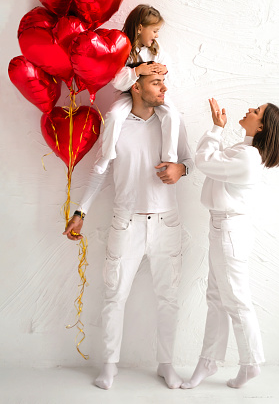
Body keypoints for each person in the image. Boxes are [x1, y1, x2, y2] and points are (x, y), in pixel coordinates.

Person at [63, 71, 193, 391]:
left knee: (169, 299)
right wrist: (80, 212)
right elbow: (99, 171)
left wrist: (181, 168)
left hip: (167, 223)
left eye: (164, 81)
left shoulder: (171, 121)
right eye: (155, 82)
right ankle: (109, 366)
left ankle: (166, 366)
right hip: (127, 222)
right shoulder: (117, 124)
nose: (164, 87)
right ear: (136, 87)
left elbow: (190, 160)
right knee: (114, 296)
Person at [181, 98, 279, 390]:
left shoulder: (248, 157)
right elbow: (213, 158)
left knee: (236, 301)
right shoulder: (244, 150)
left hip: (229, 230)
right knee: (216, 298)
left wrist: (216, 128)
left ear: (262, 125)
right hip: (223, 228)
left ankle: (250, 362)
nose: (249, 110)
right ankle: (209, 360)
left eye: (256, 111)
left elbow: (204, 160)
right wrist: (218, 131)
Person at [94, 4, 180, 174]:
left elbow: (167, 65)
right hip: (131, 94)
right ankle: (107, 155)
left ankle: (169, 158)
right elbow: (117, 80)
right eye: (154, 30)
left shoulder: (156, 48)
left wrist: (164, 69)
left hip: (152, 94)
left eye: (158, 32)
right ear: (140, 28)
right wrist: (138, 71)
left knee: (171, 115)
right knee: (114, 116)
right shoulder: (123, 48)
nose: (156, 35)